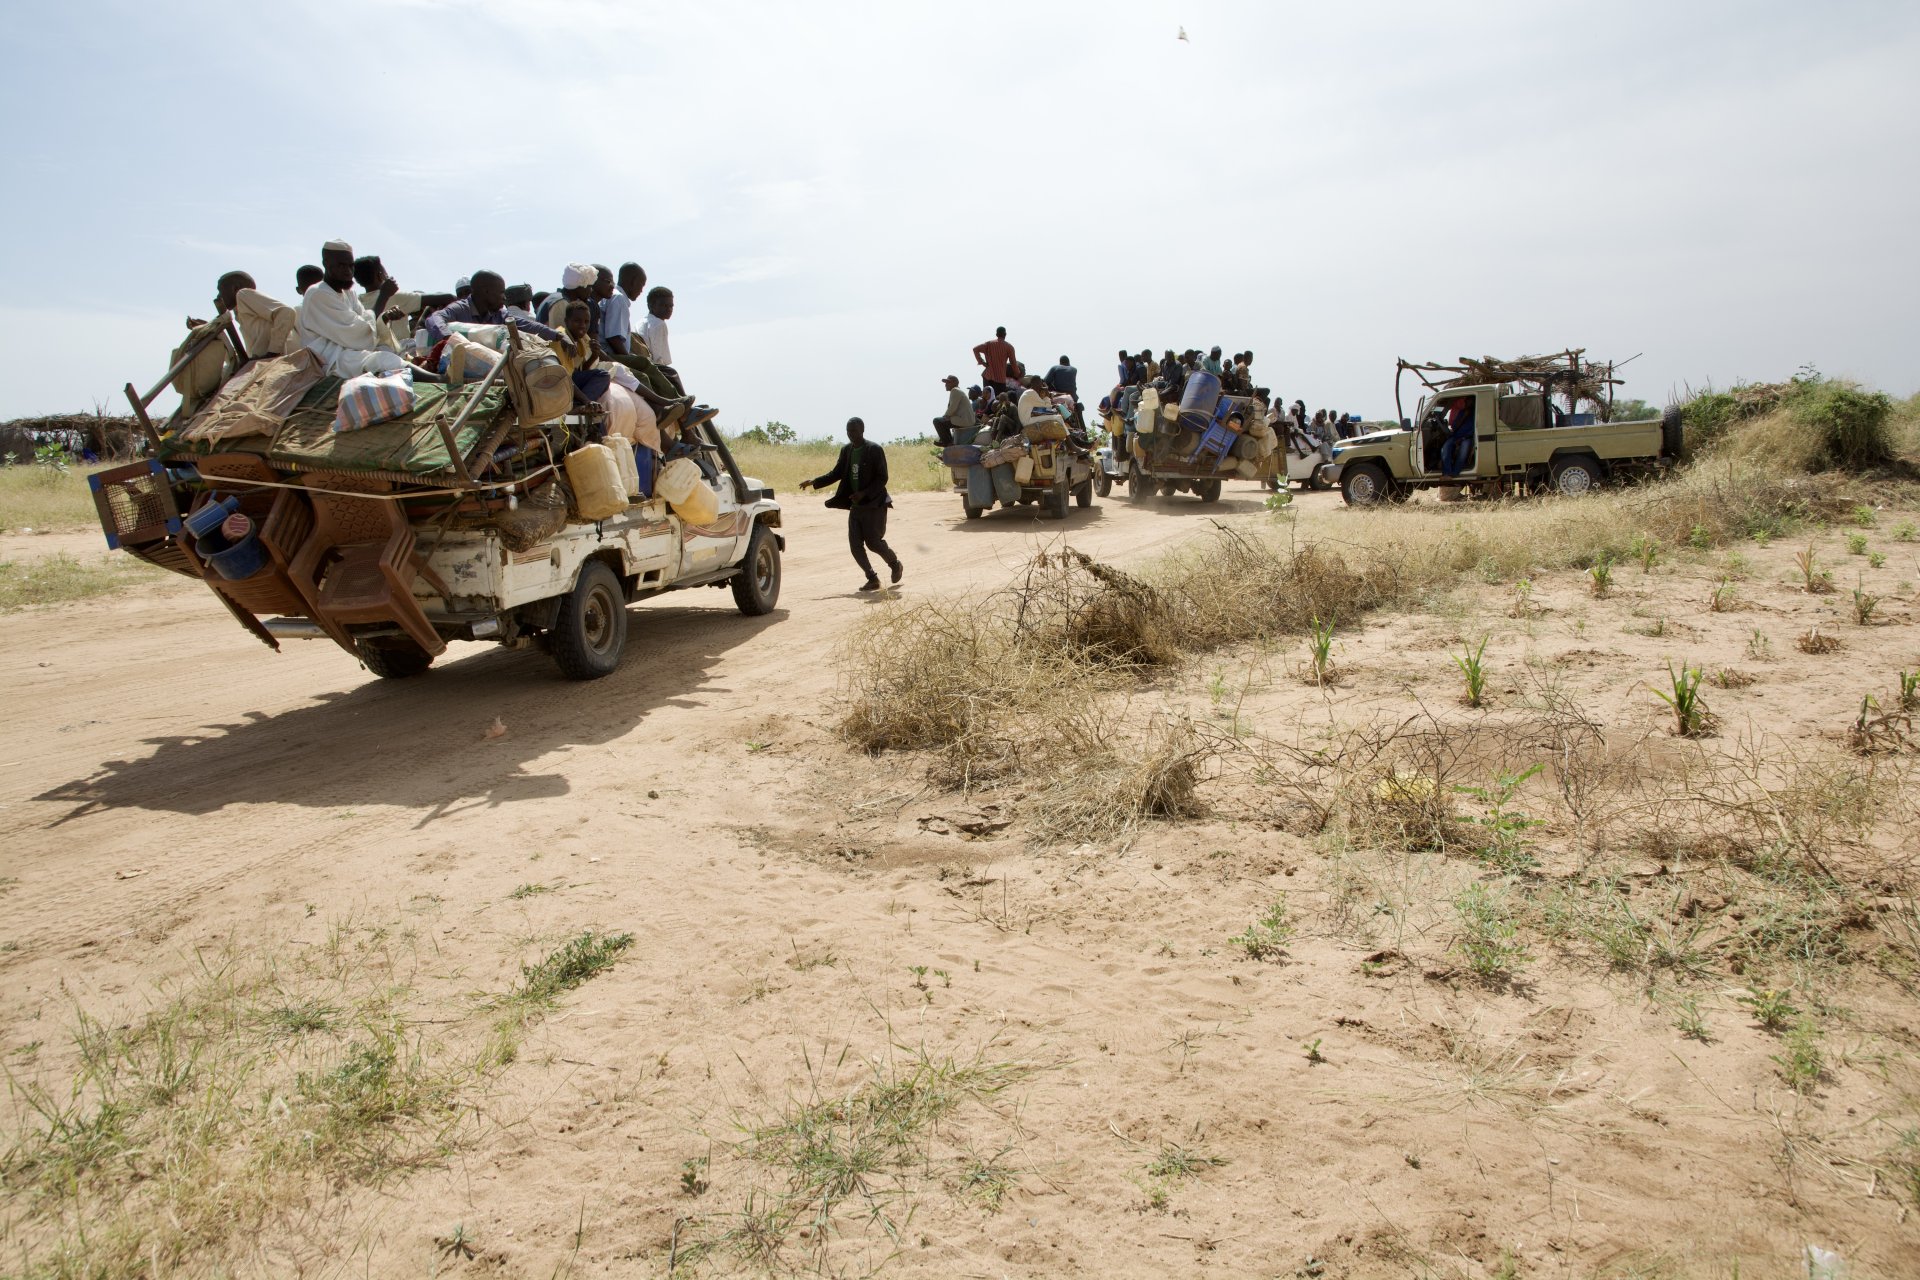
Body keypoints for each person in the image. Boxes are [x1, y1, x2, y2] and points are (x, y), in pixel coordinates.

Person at [800, 416, 902, 591]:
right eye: (848, 431)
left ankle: (894, 564)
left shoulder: (874, 449)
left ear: (862, 430)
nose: (850, 434)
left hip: (874, 504)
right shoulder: (846, 450)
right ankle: (872, 578)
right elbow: (836, 473)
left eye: (854, 431)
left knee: (873, 543)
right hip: (855, 505)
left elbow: (882, 478)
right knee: (855, 545)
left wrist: (864, 493)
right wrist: (814, 482)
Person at [294, 239, 417, 378]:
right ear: (326, 264)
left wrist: (385, 316)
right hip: (328, 359)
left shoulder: (348, 292)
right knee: (383, 359)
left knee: (388, 350)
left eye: (350, 266)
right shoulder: (318, 293)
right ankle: (438, 379)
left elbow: (365, 320)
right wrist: (383, 296)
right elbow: (357, 332)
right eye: (341, 265)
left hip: (348, 351)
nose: (347, 271)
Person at [421, 271, 559, 346]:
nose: (504, 298)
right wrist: (448, 339)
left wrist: (557, 335)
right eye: (500, 293)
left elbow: (527, 324)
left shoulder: (499, 315)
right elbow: (435, 318)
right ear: (486, 292)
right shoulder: (460, 309)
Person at [186, 270, 297, 359]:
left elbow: (286, 312)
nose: (218, 296)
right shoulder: (243, 313)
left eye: (220, 290)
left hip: (271, 363)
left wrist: (273, 352)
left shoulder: (243, 294)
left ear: (235, 288)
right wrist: (208, 329)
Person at [351, 255, 420, 351]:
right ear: (380, 276)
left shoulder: (355, 301)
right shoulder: (394, 296)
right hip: (399, 353)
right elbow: (445, 298)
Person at [601, 262, 645, 355]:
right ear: (633, 281)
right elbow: (614, 338)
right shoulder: (618, 298)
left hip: (608, 353)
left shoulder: (613, 295)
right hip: (610, 355)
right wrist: (629, 360)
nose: (641, 290)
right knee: (651, 368)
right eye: (642, 285)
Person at [932, 374, 975, 446]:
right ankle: (946, 441)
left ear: (954, 383)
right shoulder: (958, 391)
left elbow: (952, 408)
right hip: (967, 420)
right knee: (943, 422)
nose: (945, 385)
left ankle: (948, 442)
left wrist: (945, 417)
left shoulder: (955, 390)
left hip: (964, 420)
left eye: (948, 382)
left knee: (937, 421)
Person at [1441, 397, 1477, 476]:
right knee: (1445, 449)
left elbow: (1474, 430)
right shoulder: (1462, 412)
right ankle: (1447, 473)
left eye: (1468, 401)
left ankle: (1455, 473)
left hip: (1467, 438)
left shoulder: (1476, 414)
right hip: (1456, 436)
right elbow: (1454, 426)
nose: (1466, 402)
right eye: (1466, 401)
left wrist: (1462, 439)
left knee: (1462, 454)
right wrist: (1463, 417)